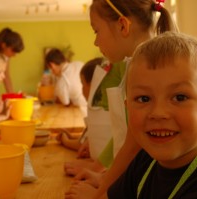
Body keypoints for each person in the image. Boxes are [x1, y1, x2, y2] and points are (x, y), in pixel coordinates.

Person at [64, 0, 178, 198]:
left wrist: (99, 194)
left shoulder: (144, 71)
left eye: (96, 31)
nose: (96, 42)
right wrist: (104, 176)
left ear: (123, 25)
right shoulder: (134, 66)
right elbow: (125, 139)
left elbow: (133, 148)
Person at [108, 31, 197, 198]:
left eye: (180, 97)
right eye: (144, 98)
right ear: (127, 107)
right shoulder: (145, 160)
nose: (158, 113)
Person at [56, 57, 103, 153]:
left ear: (93, 85)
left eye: (82, 84)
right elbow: (88, 139)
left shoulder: (99, 111)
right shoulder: (100, 107)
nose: (81, 89)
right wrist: (73, 137)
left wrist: (65, 140)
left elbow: (82, 145)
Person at [45, 48, 88, 117]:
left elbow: (66, 103)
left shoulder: (62, 82)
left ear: (52, 65)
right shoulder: (79, 63)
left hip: (82, 114)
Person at [0, 27, 24, 93]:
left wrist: (12, 96)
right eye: (13, 51)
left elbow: (6, 75)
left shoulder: (5, 55)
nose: (14, 55)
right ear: (4, 45)